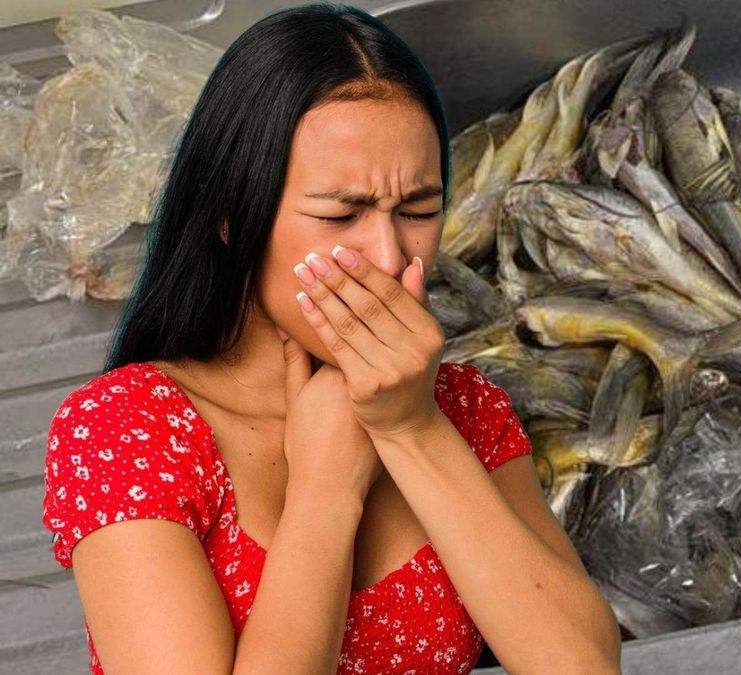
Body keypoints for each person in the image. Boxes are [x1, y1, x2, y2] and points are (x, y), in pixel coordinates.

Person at [40, 4, 621, 673]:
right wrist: (323, 493)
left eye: (419, 209)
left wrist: (412, 429)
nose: (385, 251)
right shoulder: (129, 428)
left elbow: (582, 666)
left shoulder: (463, 409)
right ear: (233, 216)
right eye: (340, 213)